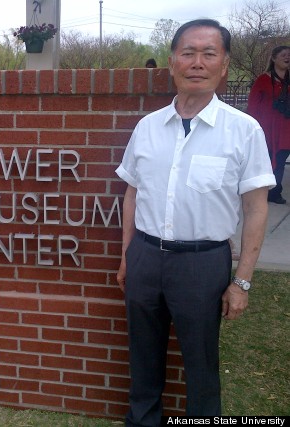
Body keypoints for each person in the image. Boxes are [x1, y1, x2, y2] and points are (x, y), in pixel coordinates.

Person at [115, 19, 275, 425]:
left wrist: (241, 281)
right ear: (172, 62)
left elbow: (257, 208)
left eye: (209, 53)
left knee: (201, 363)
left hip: (203, 265)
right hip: (147, 258)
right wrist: (127, 257)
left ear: (224, 65)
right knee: (143, 355)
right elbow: (132, 193)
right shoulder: (148, 127)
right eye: (188, 52)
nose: (197, 62)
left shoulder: (243, 131)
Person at [247, 45, 290, 204]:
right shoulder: (263, 79)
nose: (287, 58)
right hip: (266, 127)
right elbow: (253, 105)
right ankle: (261, 190)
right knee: (265, 159)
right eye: (284, 55)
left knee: (280, 159)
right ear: (273, 58)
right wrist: (253, 127)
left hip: (286, 128)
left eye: (289, 55)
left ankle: (275, 191)